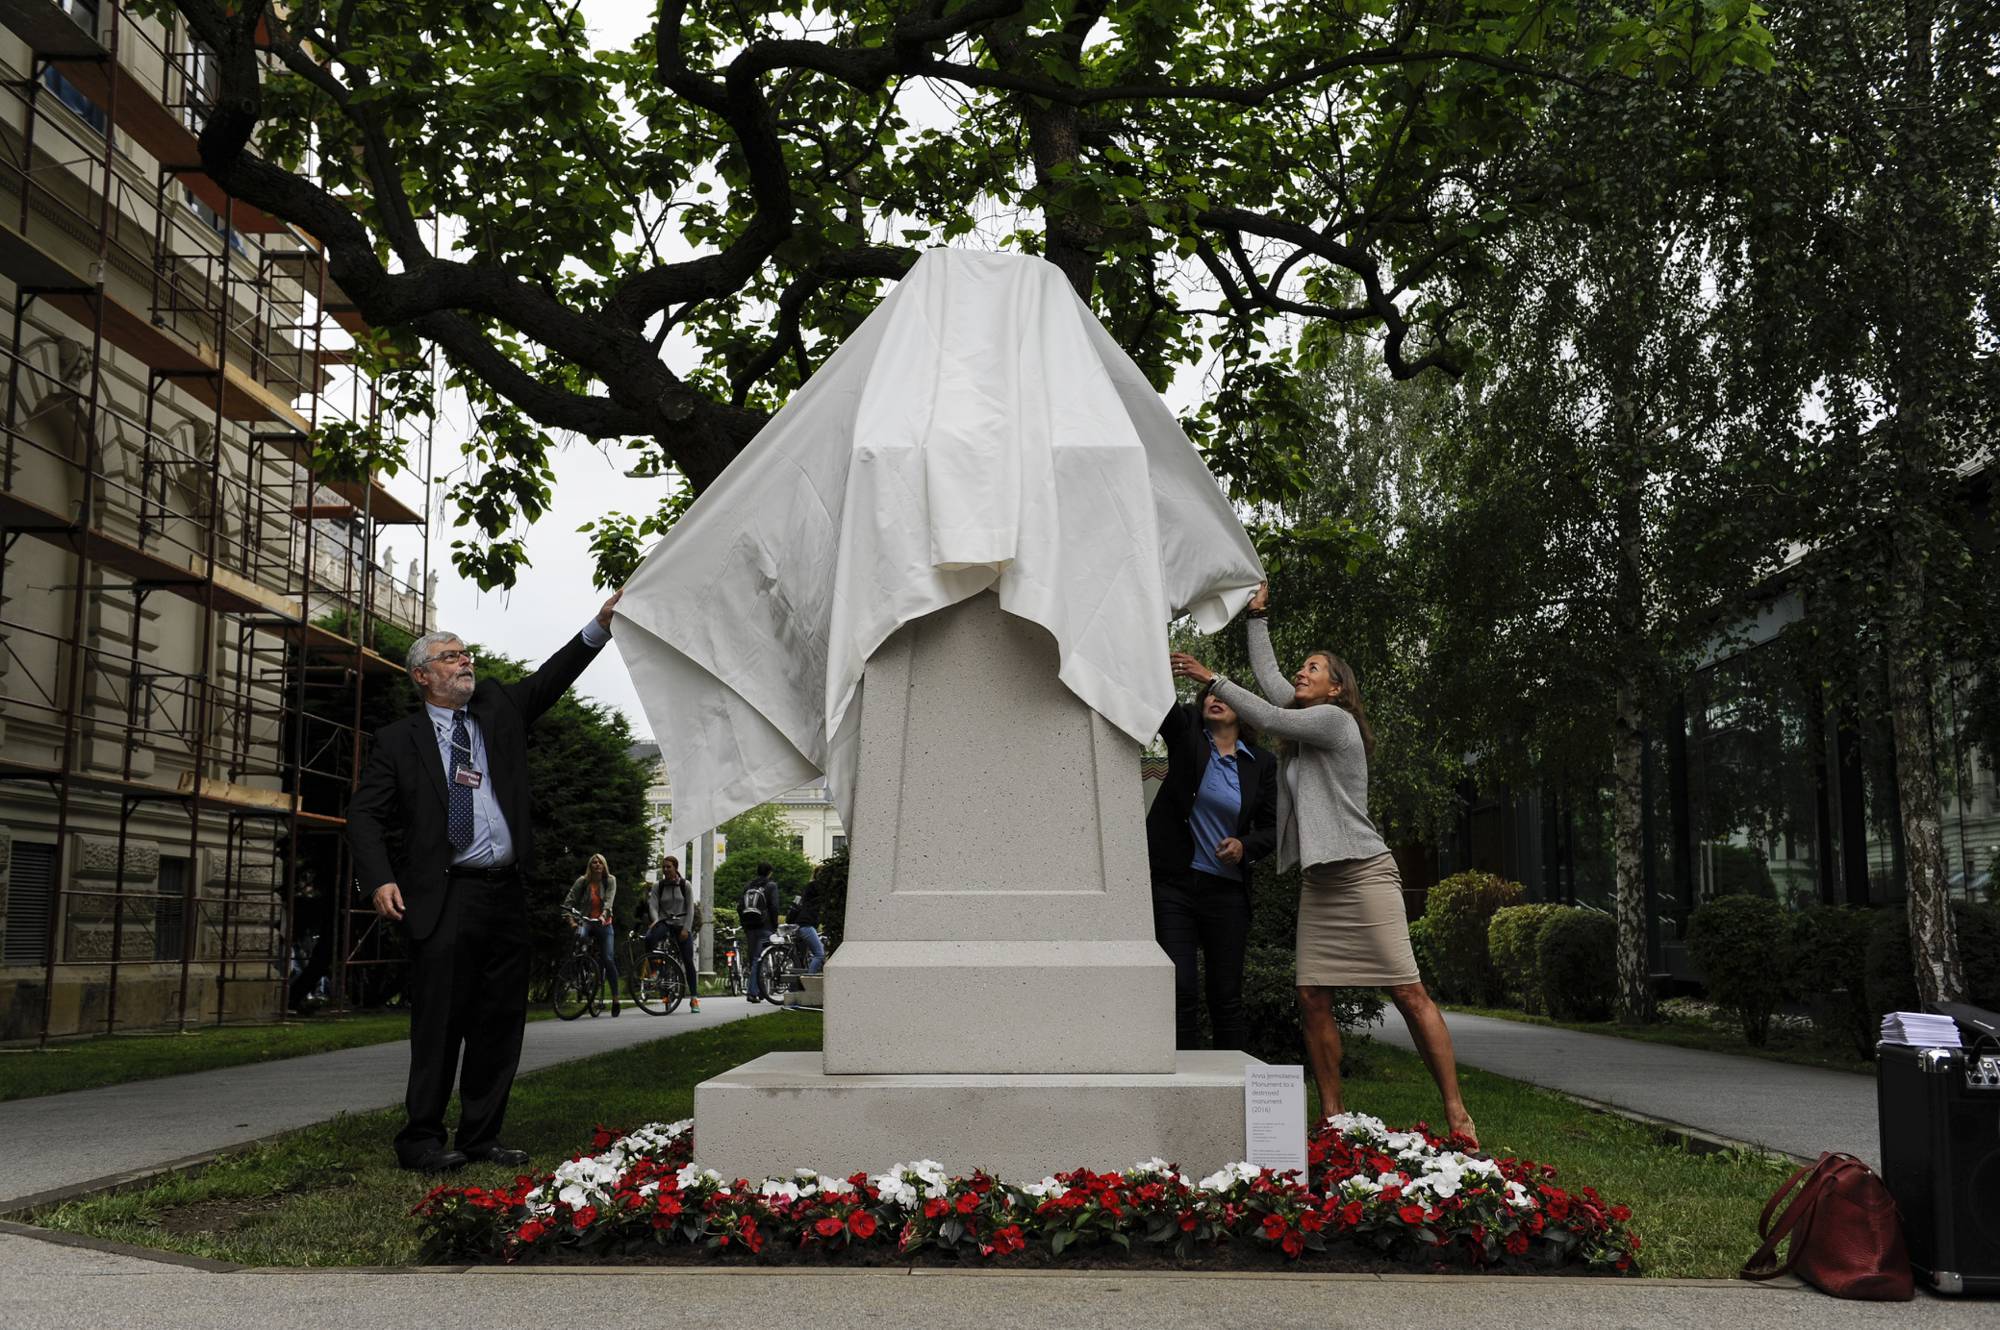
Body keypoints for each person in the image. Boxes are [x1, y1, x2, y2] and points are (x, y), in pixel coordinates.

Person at [1170, 582, 1477, 1148]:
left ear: (1337, 688)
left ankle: (1458, 1115)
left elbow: (1263, 708)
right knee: (1312, 994)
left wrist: (1211, 678)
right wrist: (1258, 615)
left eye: (1312, 668)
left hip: (1363, 871)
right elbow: (1270, 688)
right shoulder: (1303, 727)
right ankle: (1334, 1120)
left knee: (1407, 992)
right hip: (1322, 880)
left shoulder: (1335, 724)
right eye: (1303, 668)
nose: (1302, 674)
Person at [347, 589, 621, 1173]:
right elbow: (365, 815)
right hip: (444, 895)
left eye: (466, 653)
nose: (465, 661)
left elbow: (550, 679)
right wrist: (378, 880)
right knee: (440, 1021)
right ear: (422, 675)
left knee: (500, 1021)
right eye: (450, 656)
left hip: (504, 893)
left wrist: (599, 626)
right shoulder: (399, 741)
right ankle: (420, 1139)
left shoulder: (496, 709)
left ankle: (481, 1136)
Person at [1144, 687, 1277, 1052]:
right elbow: (1162, 702)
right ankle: (1185, 1084)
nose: (1215, 700)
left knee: (1226, 996)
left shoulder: (1261, 763)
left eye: (1227, 696)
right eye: (1210, 695)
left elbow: (1271, 827)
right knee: (1181, 987)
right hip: (1176, 883)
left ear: (1244, 710)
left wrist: (1243, 845)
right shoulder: (1189, 735)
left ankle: (1231, 1086)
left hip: (1227, 892)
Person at [564, 854, 620, 1016]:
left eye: (600, 862)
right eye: (594, 862)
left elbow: (609, 901)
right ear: (590, 865)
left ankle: (615, 999)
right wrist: (572, 922)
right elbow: (568, 902)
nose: (597, 864)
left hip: (604, 922)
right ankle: (583, 971)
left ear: (604, 865)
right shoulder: (582, 881)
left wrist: (603, 916)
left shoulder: (610, 880)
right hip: (586, 920)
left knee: (608, 959)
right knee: (580, 937)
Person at [644, 854, 700, 1013]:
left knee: (688, 960)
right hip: (665, 922)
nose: (666, 869)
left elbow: (690, 909)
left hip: (681, 924)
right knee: (649, 938)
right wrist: (655, 921)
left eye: (669, 866)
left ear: (675, 868)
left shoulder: (685, 885)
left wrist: (686, 929)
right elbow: (653, 906)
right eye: (664, 867)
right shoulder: (658, 886)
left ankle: (694, 998)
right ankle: (654, 969)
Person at [739, 862, 777, 1002]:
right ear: (770, 872)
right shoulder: (771, 886)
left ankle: (761, 991)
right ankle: (753, 992)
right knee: (760, 959)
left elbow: (740, 907)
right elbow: (774, 907)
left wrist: (744, 924)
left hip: (750, 927)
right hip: (764, 926)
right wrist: (775, 926)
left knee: (754, 959)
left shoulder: (748, 886)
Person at [788, 872, 827, 975]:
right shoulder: (815, 886)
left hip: (801, 924)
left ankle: (796, 985)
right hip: (806, 925)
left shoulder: (808, 888)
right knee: (819, 954)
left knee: (802, 957)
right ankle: (810, 978)